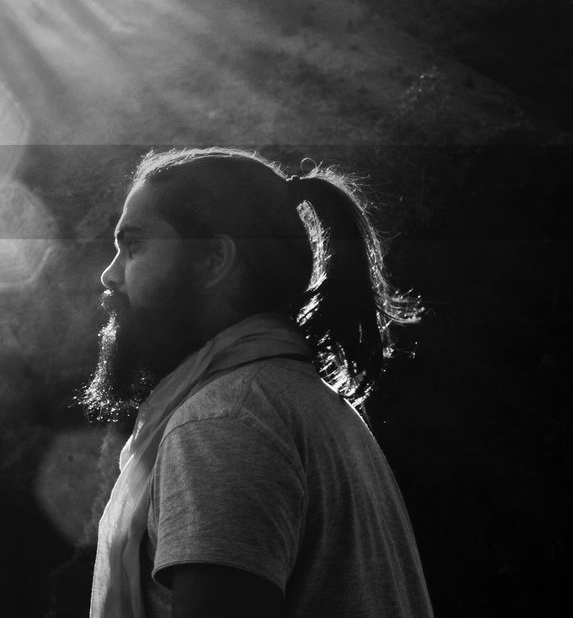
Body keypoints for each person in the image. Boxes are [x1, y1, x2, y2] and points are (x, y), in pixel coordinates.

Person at [83, 147, 433, 618]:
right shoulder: (303, 401)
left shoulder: (225, 421)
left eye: (134, 245)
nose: (109, 274)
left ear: (214, 260)